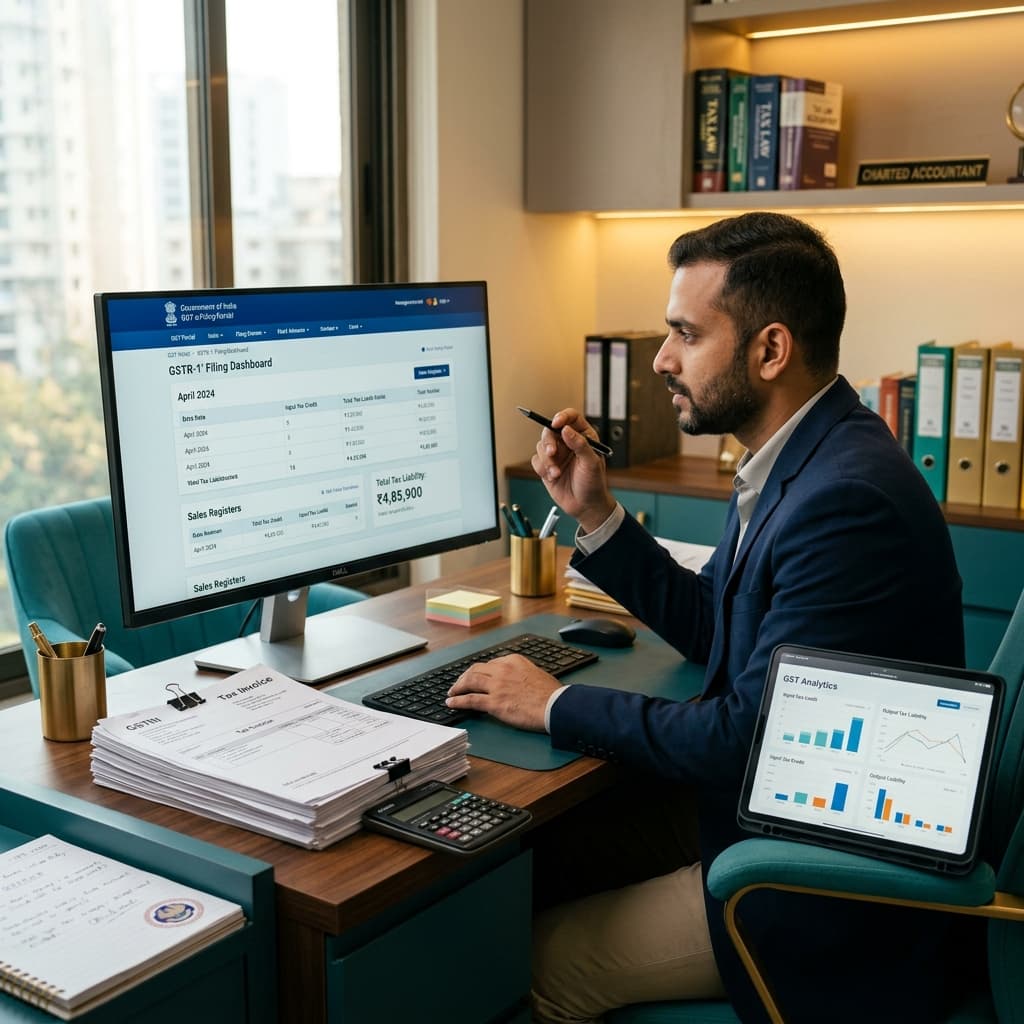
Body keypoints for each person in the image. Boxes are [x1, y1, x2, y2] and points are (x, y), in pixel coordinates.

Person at [447, 212, 976, 1024]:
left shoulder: (844, 502)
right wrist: (597, 515)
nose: (662, 359)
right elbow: (715, 624)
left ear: (770, 350)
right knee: (531, 861)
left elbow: (742, 739)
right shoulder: (801, 453)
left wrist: (551, 702)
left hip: (819, 881)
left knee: (531, 964)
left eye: (686, 334)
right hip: (769, 808)